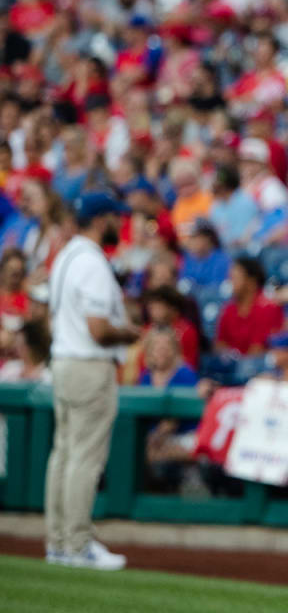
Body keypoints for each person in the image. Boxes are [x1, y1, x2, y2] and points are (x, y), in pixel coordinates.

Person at [45, 193, 140, 570]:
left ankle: (59, 542)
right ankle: (77, 544)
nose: (119, 224)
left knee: (64, 455)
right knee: (83, 458)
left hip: (65, 360)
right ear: (100, 220)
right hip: (88, 364)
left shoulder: (66, 255)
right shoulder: (92, 262)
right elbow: (99, 330)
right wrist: (128, 334)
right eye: (115, 217)